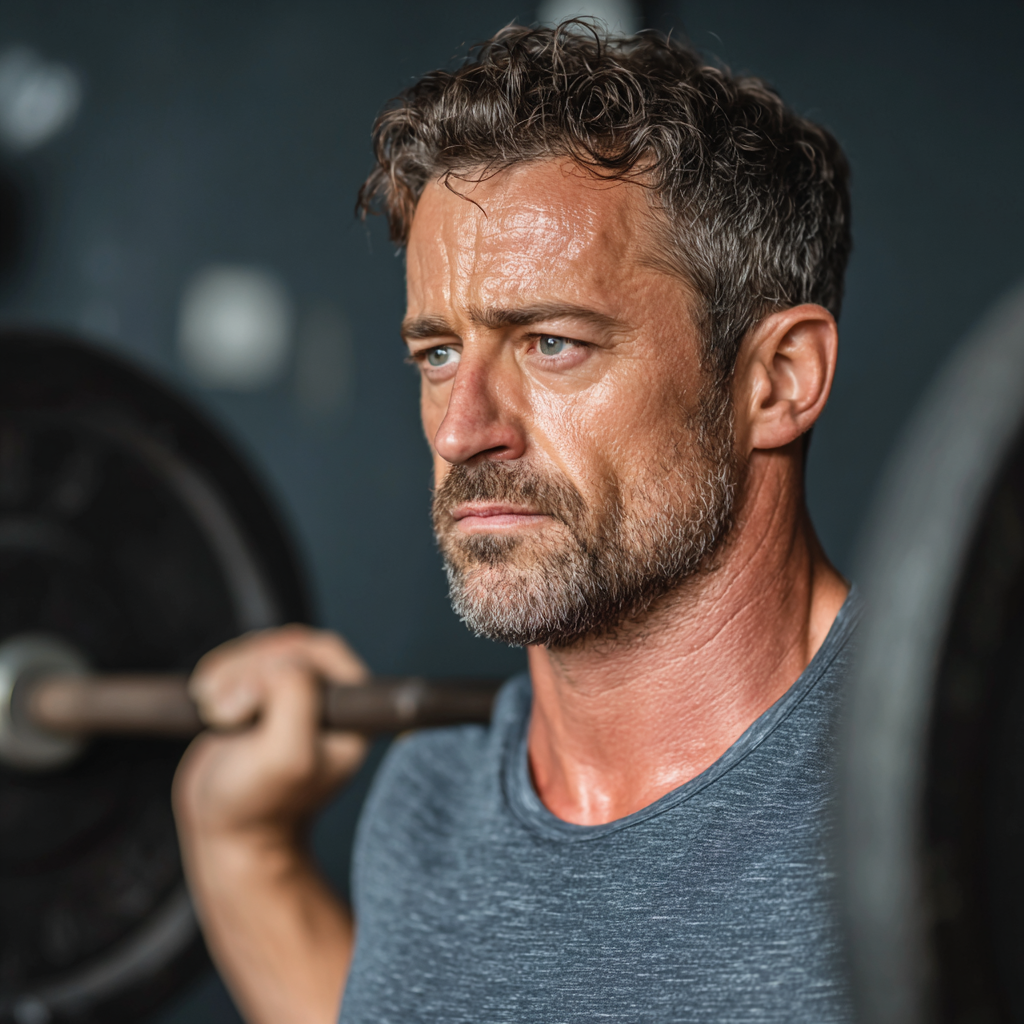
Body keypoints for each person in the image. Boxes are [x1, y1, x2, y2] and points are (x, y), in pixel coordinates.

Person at [173, 22, 857, 1024]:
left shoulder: (948, 794)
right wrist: (241, 849)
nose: (462, 432)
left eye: (550, 342)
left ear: (778, 380)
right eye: (439, 354)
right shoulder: (428, 808)